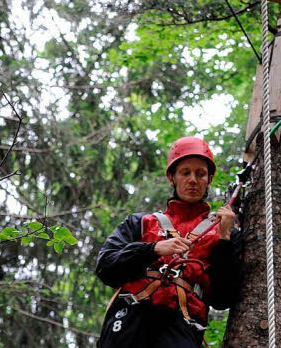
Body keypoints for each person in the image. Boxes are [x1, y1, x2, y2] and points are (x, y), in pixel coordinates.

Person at [95, 137, 242, 347]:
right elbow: (106, 266)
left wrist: (224, 241)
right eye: (185, 173)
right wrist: (152, 249)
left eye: (200, 174)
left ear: (209, 179)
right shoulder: (141, 223)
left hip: (181, 325)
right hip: (130, 318)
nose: (193, 180)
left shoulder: (221, 232)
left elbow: (222, 298)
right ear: (171, 177)